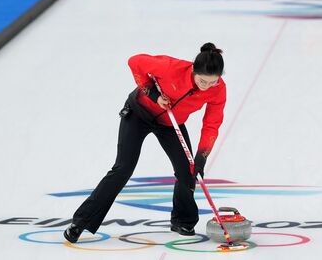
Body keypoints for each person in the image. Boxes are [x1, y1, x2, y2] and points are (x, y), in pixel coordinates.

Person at [63, 43, 227, 243]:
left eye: (213, 81)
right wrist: (153, 94)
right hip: (138, 113)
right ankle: (81, 221)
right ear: (193, 70)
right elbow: (135, 62)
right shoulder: (171, 68)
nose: (207, 86)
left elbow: (212, 124)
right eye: (203, 80)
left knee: (188, 171)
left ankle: (182, 220)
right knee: (123, 168)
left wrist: (201, 157)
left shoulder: (218, 90)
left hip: (170, 123)